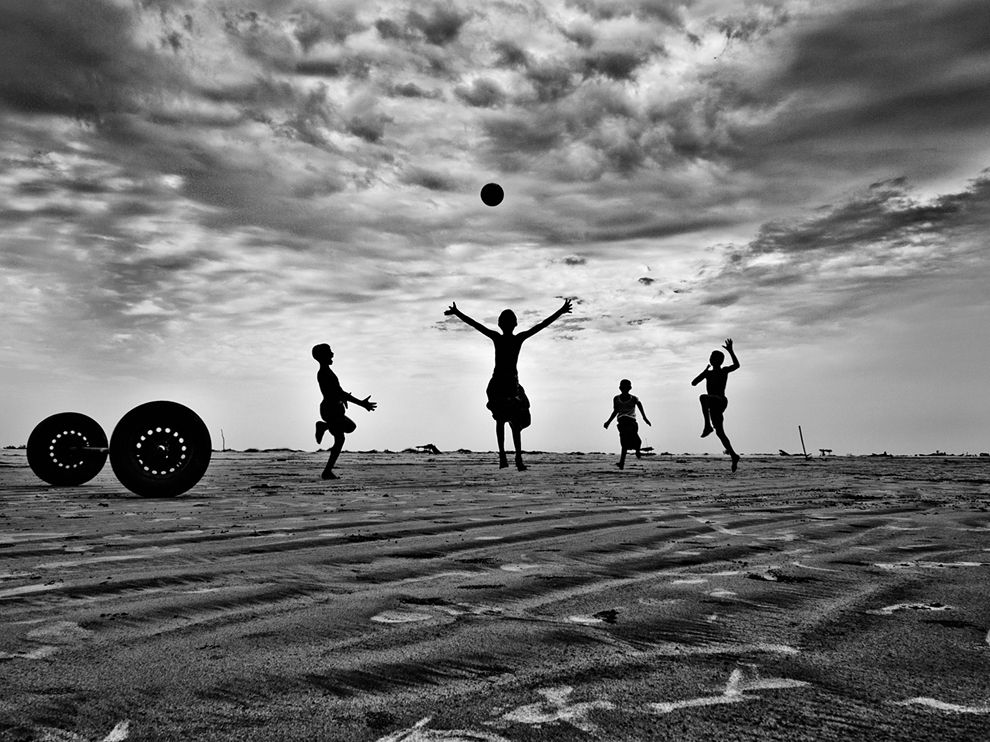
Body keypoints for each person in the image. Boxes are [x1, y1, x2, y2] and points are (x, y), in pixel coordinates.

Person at [444, 299, 572, 470]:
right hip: (510, 384)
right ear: (515, 324)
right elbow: (541, 325)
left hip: (498, 383)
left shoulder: (498, 337)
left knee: (500, 420)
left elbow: (476, 325)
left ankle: (503, 456)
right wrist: (561, 311)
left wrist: (457, 313)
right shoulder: (517, 338)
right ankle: (517, 458)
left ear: (499, 324)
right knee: (515, 422)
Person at [312, 343, 376, 480]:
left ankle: (327, 471)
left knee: (343, 435)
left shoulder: (327, 372)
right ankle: (323, 426)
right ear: (322, 356)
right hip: (330, 409)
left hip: (333, 408)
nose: (332, 354)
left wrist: (342, 399)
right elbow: (337, 392)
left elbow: (337, 392)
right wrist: (362, 403)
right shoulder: (324, 373)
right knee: (347, 431)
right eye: (329, 352)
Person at [691, 338, 740, 472]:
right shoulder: (708, 373)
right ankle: (734, 455)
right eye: (711, 358)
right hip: (712, 405)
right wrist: (704, 372)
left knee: (703, 397)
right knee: (720, 432)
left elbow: (736, 365)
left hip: (720, 400)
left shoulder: (723, 371)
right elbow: (694, 383)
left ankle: (707, 426)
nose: (712, 360)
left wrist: (731, 351)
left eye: (715, 358)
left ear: (720, 361)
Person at [603, 379, 651, 469]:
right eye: (623, 387)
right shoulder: (616, 399)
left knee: (632, 441)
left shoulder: (633, 398)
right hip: (623, 423)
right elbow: (615, 411)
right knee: (626, 442)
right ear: (620, 388)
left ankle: (627, 458)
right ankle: (623, 461)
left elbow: (639, 405)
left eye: (625, 387)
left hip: (630, 422)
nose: (624, 389)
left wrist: (645, 418)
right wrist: (608, 422)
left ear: (629, 388)